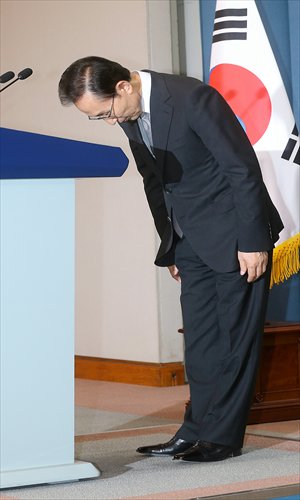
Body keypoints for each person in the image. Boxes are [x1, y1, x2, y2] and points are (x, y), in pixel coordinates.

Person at [58, 57, 283, 463]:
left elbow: (242, 168)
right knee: (199, 340)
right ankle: (194, 429)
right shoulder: (129, 115)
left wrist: (253, 241)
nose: (109, 122)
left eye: (105, 113)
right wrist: (171, 246)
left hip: (236, 233)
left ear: (124, 87)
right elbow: (154, 182)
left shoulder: (192, 97)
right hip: (190, 239)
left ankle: (223, 437)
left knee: (236, 339)